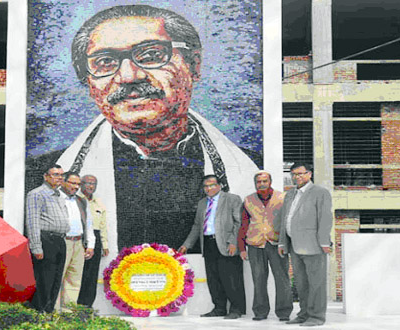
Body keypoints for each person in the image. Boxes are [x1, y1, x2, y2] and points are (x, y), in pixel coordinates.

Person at [48, 4, 259, 252]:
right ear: (89, 82)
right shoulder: (52, 173)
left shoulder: (248, 167)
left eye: (150, 55)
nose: (129, 76)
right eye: (105, 62)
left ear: (195, 66)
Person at [179, 175, 245, 319]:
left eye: (212, 185)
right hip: (208, 243)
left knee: (231, 278)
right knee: (214, 278)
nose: (209, 188)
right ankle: (219, 308)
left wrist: (233, 242)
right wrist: (186, 245)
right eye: (206, 186)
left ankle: (236, 309)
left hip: (226, 244)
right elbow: (197, 226)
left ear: (220, 185)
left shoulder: (232, 199)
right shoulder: (203, 203)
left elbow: (238, 223)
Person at [277, 162, 333, 327]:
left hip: (314, 245)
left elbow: (325, 218)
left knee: (316, 283)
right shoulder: (290, 194)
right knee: (301, 283)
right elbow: (284, 220)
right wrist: (282, 242)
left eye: (300, 173)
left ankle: (316, 317)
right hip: (294, 245)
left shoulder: (320, 192)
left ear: (309, 174)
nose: (297, 177)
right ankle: (303, 314)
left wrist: (324, 241)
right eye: (294, 174)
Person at [237, 171, 293, 321]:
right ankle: (260, 312)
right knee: (258, 279)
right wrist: (242, 248)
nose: (262, 184)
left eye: (264, 181)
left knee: (282, 279)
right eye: (259, 182)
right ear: (255, 184)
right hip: (255, 245)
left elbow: (288, 223)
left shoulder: (282, 198)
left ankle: (284, 312)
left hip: (276, 244)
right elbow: (243, 225)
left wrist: (286, 243)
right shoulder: (248, 200)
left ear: (270, 182)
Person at [25, 164, 69, 313]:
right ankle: (39, 311)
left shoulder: (59, 195)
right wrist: (36, 246)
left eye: (61, 175)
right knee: (45, 278)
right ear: (46, 176)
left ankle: (49, 311)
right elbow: (32, 221)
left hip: (59, 240)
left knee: (57, 279)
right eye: (55, 174)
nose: (59, 178)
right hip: (46, 239)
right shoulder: (36, 194)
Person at [55, 172, 95, 311]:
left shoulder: (81, 200)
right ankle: (54, 313)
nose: (76, 187)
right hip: (61, 242)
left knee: (74, 280)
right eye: (73, 183)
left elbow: (88, 223)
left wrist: (90, 245)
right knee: (57, 279)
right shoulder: (55, 198)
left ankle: (68, 313)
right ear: (63, 182)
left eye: (78, 184)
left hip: (78, 243)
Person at [77, 175, 109, 307]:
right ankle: (75, 305)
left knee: (91, 275)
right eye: (88, 183)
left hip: (95, 238)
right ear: (81, 184)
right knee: (78, 273)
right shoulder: (76, 200)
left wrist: (105, 244)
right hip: (79, 237)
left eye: (94, 184)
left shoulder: (98, 202)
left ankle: (87, 306)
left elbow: (103, 225)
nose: (91, 186)